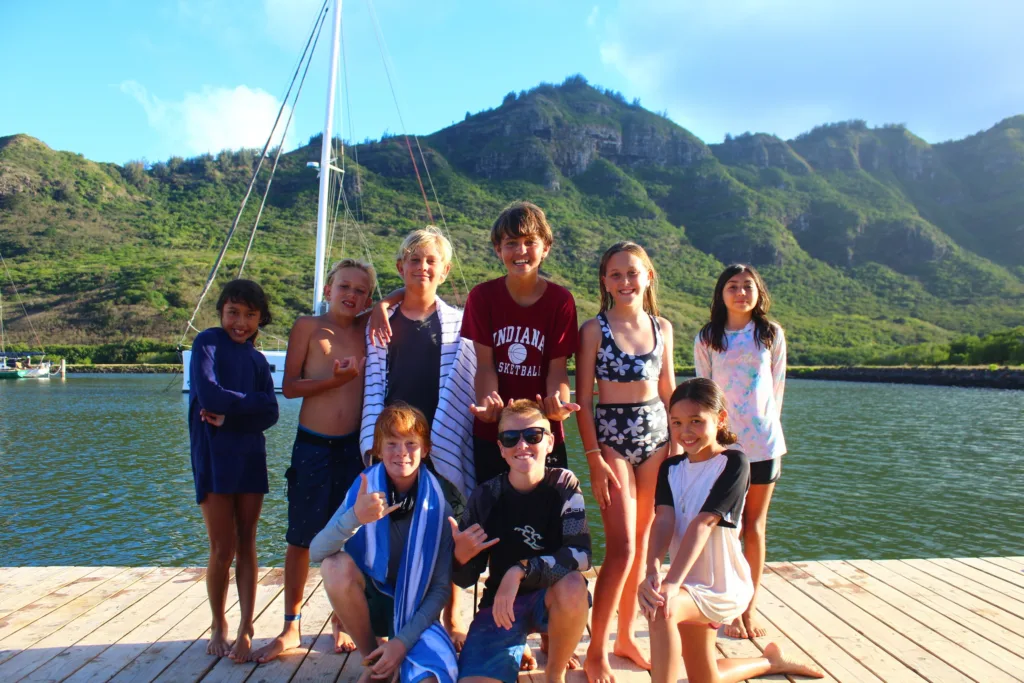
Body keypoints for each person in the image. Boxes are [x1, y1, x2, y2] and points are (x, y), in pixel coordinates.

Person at [640, 378, 822, 683]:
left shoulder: (733, 463)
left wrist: (670, 584)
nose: (685, 431)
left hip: (721, 585)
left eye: (696, 421)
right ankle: (769, 662)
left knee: (661, 609)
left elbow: (704, 522)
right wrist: (651, 570)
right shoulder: (670, 468)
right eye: (677, 422)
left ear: (720, 418)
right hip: (686, 583)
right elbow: (663, 521)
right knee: (703, 677)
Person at [253, 258, 374, 663]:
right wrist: (335, 381)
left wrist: (386, 307)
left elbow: (400, 297)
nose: (351, 295)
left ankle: (342, 620)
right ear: (328, 290)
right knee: (301, 537)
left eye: (360, 290)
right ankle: (291, 625)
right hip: (314, 444)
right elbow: (288, 387)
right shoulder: (308, 326)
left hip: (355, 448)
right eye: (344, 286)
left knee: (351, 536)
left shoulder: (370, 327)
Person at [575, 242, 675, 682]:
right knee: (623, 549)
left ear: (648, 276)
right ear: (604, 281)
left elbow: (669, 390)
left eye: (632, 273)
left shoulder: (663, 327)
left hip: (657, 442)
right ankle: (596, 649)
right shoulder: (594, 329)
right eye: (615, 275)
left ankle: (625, 637)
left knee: (644, 547)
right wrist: (595, 459)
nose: (625, 281)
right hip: (612, 441)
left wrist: (679, 448)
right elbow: (582, 400)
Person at [310, 403, 459, 683]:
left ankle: (393, 654)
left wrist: (402, 643)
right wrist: (355, 517)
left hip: (415, 607)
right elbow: (317, 552)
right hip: (372, 602)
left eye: (411, 443)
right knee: (334, 566)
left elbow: (439, 589)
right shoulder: (364, 487)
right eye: (391, 443)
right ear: (377, 449)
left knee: (429, 678)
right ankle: (375, 662)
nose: (401, 452)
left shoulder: (439, 506)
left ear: (425, 450)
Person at [453, 399, 591, 683]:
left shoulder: (564, 484)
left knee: (573, 585)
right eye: (511, 438)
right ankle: (516, 646)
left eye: (533, 436)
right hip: (501, 605)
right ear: (501, 448)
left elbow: (581, 555)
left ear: (550, 442)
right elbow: (465, 579)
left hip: (549, 597)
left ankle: (555, 673)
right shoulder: (485, 497)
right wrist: (461, 557)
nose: (522, 445)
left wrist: (521, 569)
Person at [188, 279, 279, 662]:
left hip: (249, 456)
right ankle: (218, 623)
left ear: (260, 319)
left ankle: (246, 628)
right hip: (212, 457)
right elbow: (207, 395)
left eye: (250, 315)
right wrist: (252, 404)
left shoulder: (258, 360)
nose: (240, 322)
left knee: (247, 543)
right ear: (221, 311)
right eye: (233, 313)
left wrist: (230, 417)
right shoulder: (206, 342)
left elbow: (272, 412)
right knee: (222, 547)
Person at [693, 264, 787, 640]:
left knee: (754, 527)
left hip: (763, 444)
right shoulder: (709, 337)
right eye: (733, 286)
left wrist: (768, 426)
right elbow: (702, 391)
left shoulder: (769, 334)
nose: (741, 292)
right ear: (721, 294)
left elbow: (777, 387)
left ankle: (747, 611)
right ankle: (718, 604)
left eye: (748, 286)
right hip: (724, 446)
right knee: (719, 526)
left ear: (759, 293)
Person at [459, 201, 580, 486]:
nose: (521, 251)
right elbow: (485, 366)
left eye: (530, 242)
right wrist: (488, 405)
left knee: (547, 517)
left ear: (546, 247)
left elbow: (558, 369)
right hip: (496, 433)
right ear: (498, 250)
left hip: (541, 433)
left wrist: (559, 405)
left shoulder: (560, 301)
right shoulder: (482, 297)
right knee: (493, 517)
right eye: (511, 243)